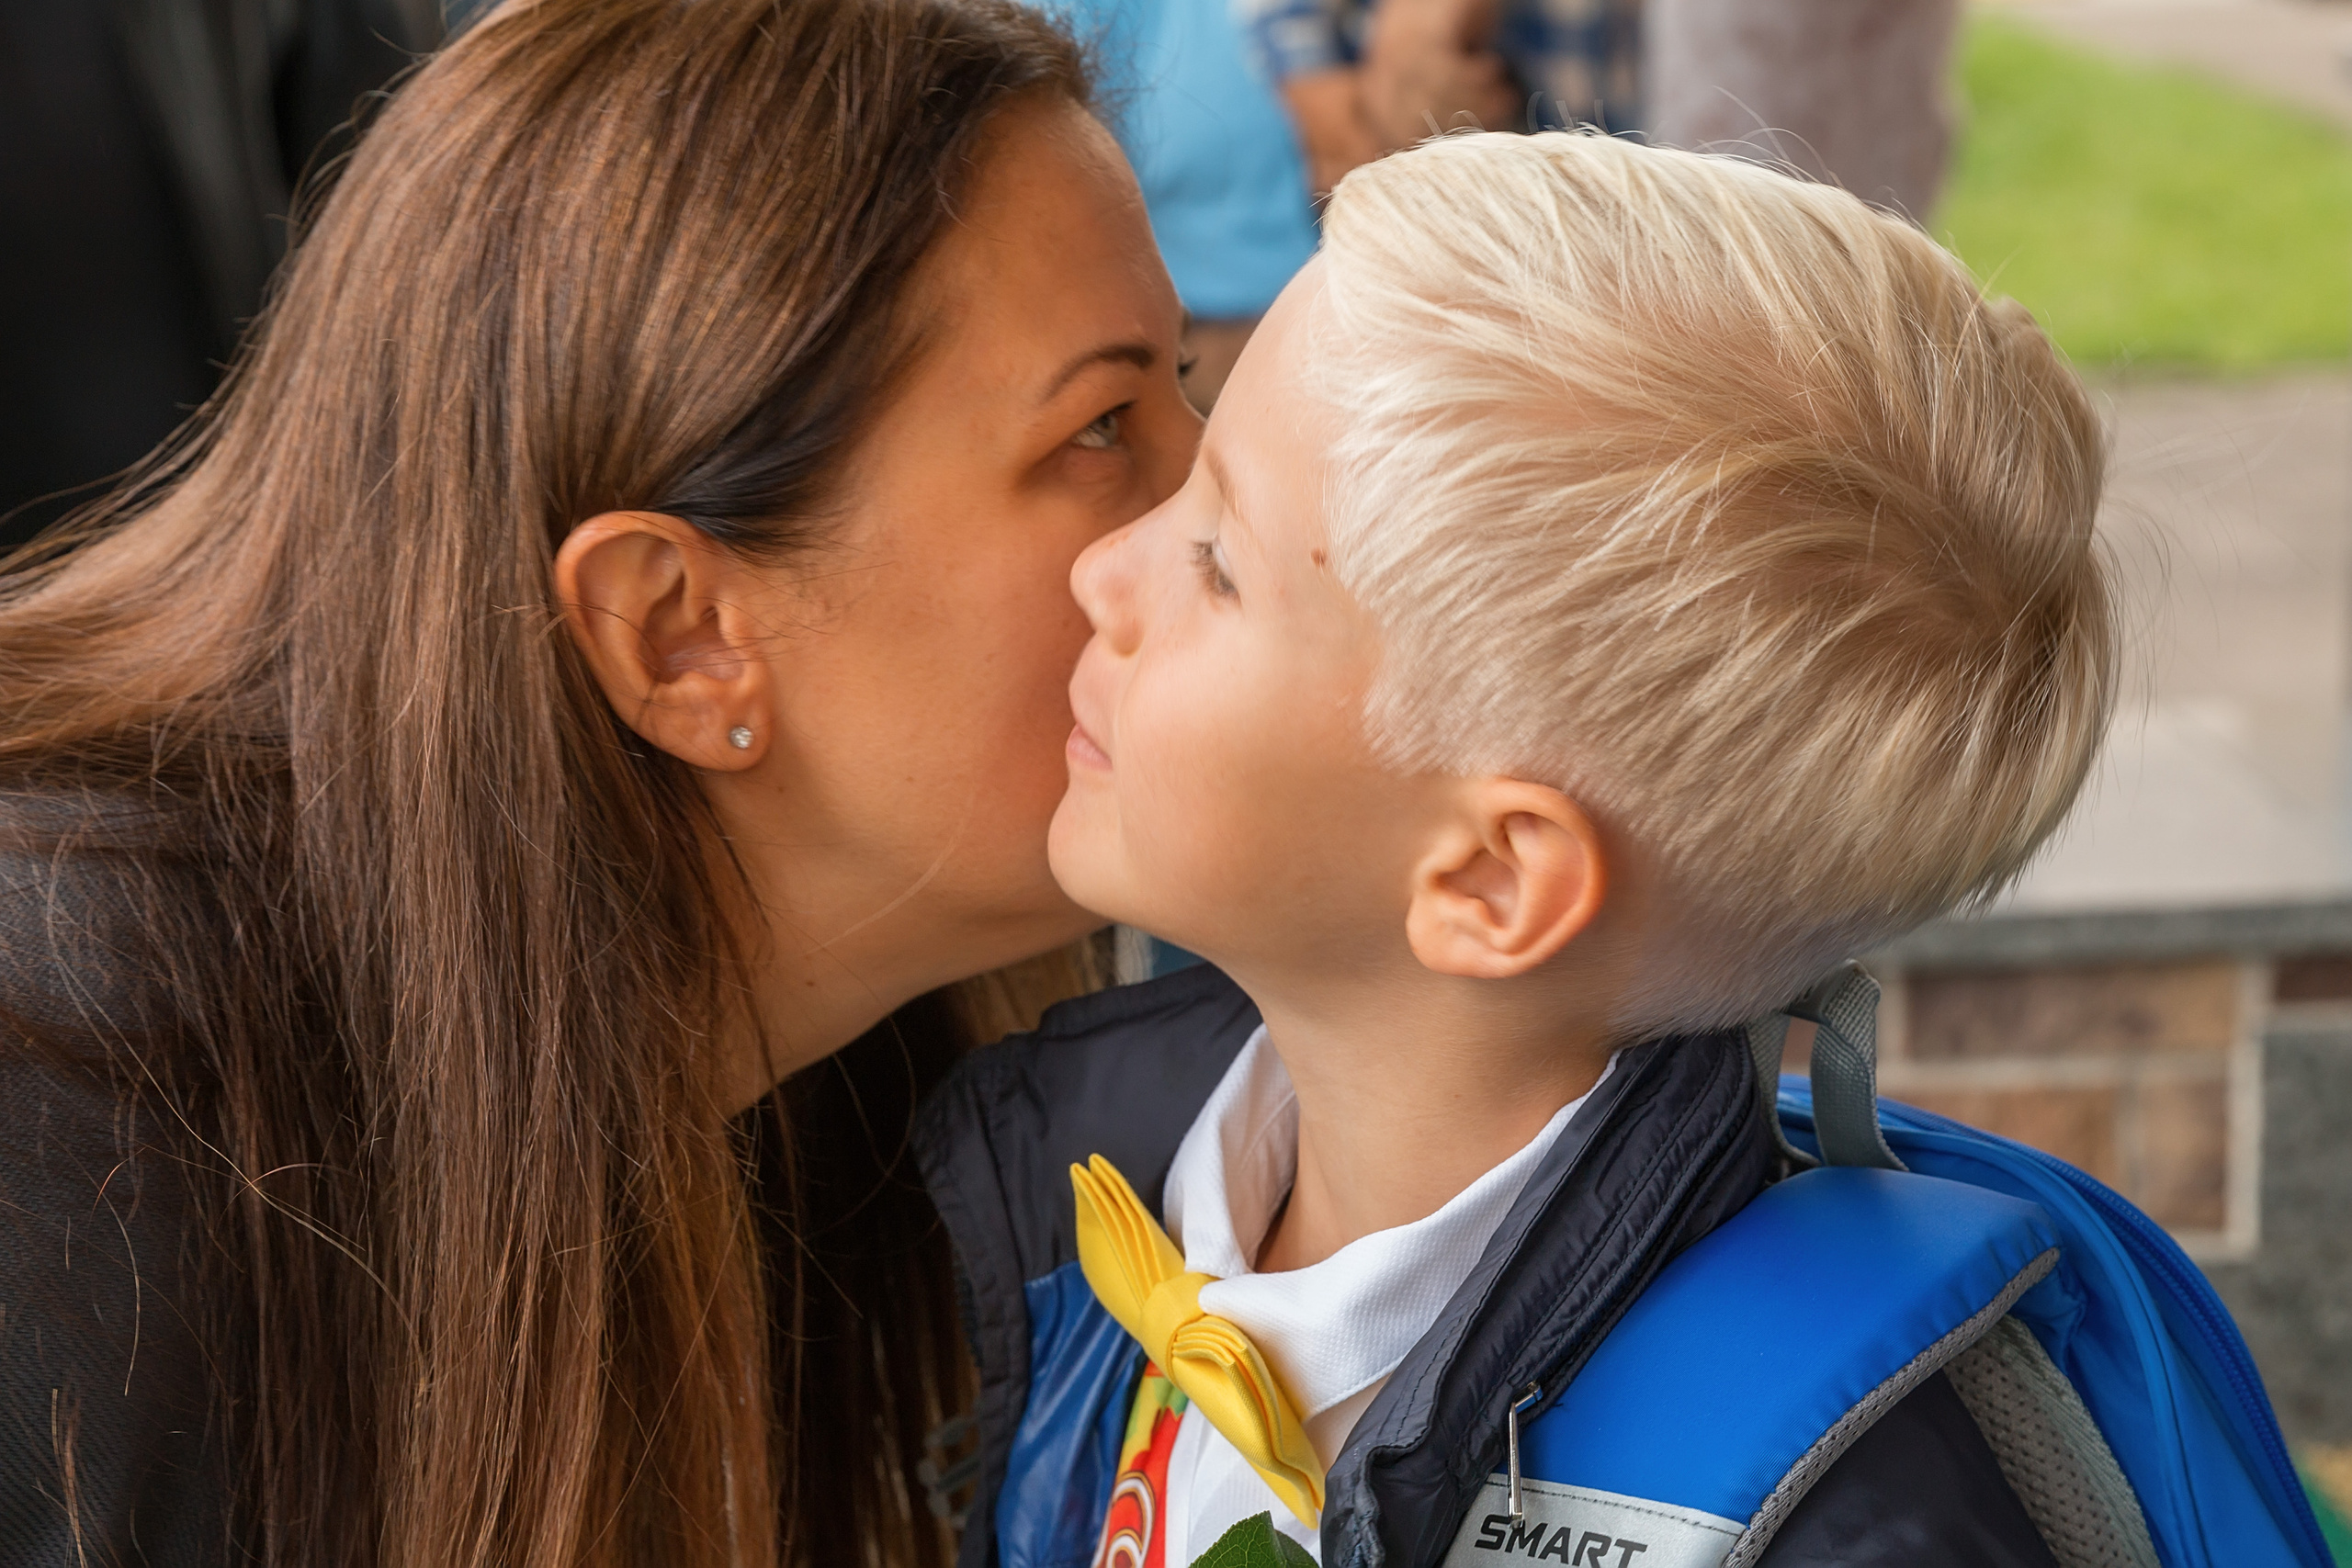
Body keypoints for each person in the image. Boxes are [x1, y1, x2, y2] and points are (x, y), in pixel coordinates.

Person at [0, 1, 1201, 1564]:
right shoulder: (70, 1120)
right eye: (1104, 429)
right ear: (681, 637)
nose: (1219, 508)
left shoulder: (868, 1107)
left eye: (1185, 386)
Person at [917, 130, 2117, 1566]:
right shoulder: (1107, 1186)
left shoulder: (1832, 1529)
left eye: (1219, 561)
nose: (1101, 571)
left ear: (1488, 880)